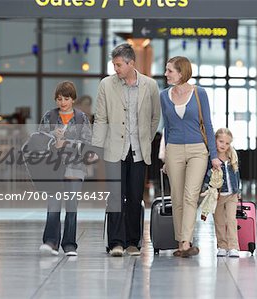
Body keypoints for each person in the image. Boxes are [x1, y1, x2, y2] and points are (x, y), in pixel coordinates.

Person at [92, 43, 160, 257]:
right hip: (114, 149)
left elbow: (155, 117)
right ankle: (116, 242)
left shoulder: (150, 85)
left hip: (139, 151)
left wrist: (145, 139)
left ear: (131, 63)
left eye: (119, 65)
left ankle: (133, 242)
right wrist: (97, 147)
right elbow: (101, 118)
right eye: (114, 65)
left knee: (134, 196)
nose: (116, 69)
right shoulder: (106, 84)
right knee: (114, 197)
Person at [161, 56, 221, 258]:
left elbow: (209, 125)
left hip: (198, 150)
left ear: (181, 72)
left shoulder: (199, 93)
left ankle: (186, 242)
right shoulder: (163, 95)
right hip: (174, 150)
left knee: (190, 195)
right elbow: (167, 128)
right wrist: (165, 157)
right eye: (166, 70)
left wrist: (214, 156)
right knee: (177, 197)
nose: (166, 74)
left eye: (170, 71)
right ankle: (181, 241)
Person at [38, 81, 92, 256]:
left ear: (73, 99)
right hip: (53, 167)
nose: (62, 102)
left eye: (66, 99)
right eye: (59, 99)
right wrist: (53, 139)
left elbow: (88, 143)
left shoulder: (81, 118)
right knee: (53, 205)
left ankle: (69, 244)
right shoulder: (49, 116)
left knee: (71, 206)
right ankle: (50, 242)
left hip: (75, 167)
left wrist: (66, 143)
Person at [203, 128, 241, 258]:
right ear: (215, 141)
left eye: (227, 143)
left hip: (232, 195)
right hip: (217, 196)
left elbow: (237, 175)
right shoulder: (211, 159)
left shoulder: (232, 157)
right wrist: (206, 189)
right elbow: (206, 176)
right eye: (221, 141)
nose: (223, 145)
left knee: (231, 220)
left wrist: (238, 190)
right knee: (219, 221)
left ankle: (233, 246)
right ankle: (222, 246)